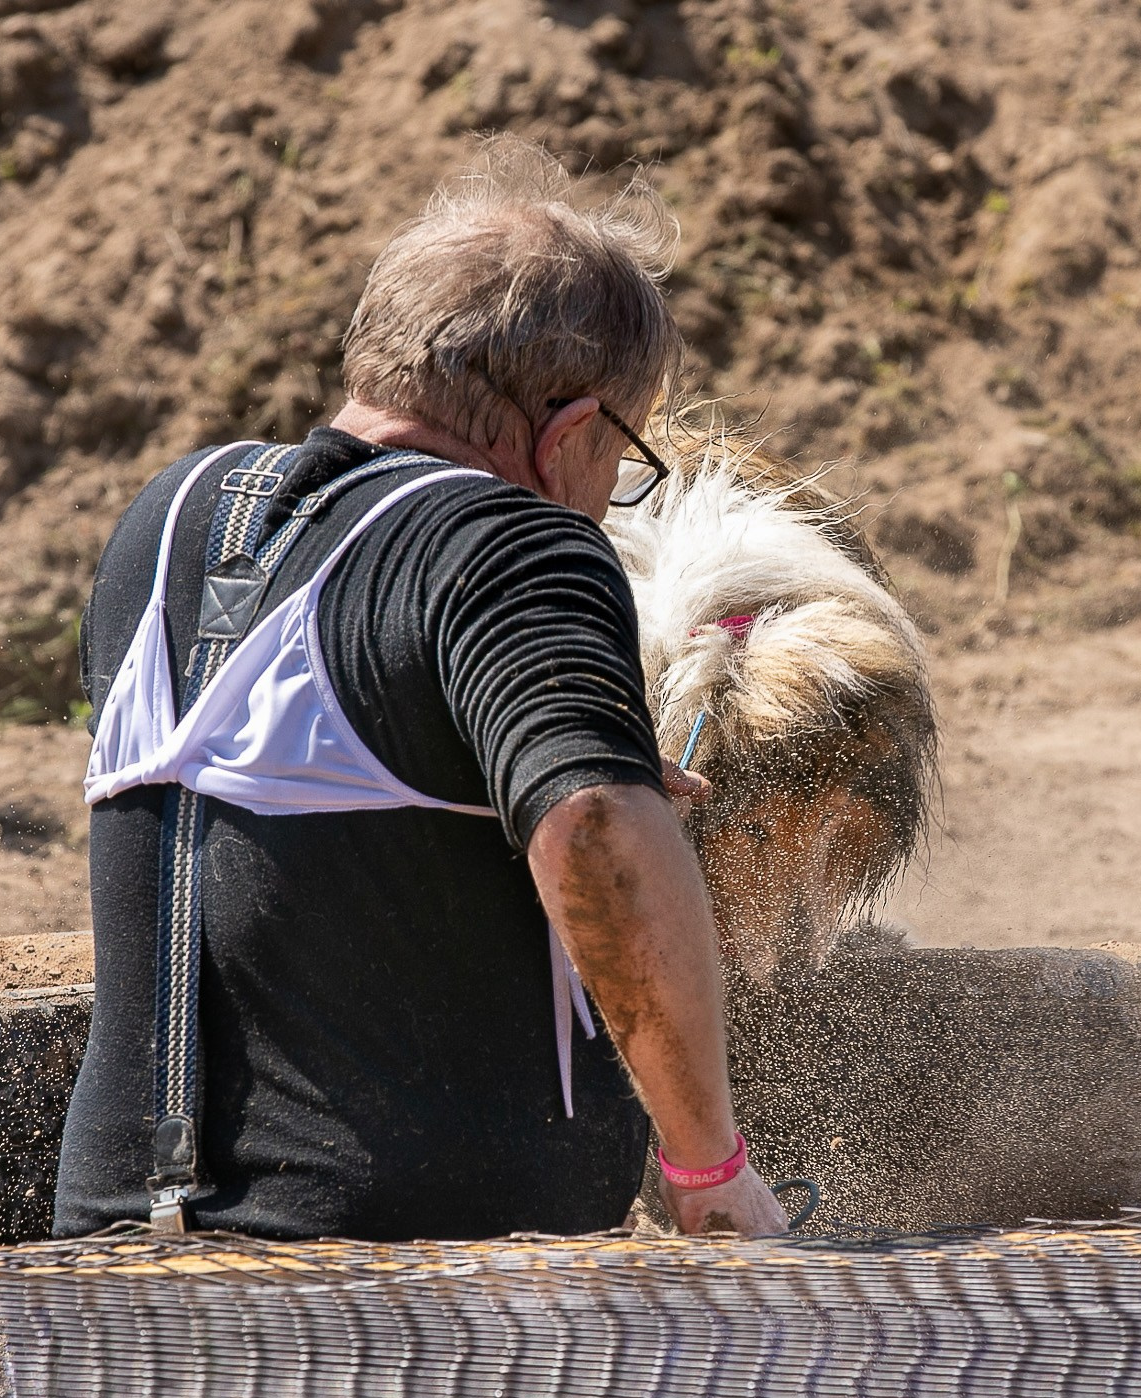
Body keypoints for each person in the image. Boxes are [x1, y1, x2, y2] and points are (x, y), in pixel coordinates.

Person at [53, 141, 789, 1241]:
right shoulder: (517, 542)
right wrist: (705, 1166)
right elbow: (596, 830)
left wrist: (537, 759)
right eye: (621, 457)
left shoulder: (170, 516)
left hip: (111, 1247)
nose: (607, 497)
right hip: (395, 1282)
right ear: (570, 432)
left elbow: (294, 789)